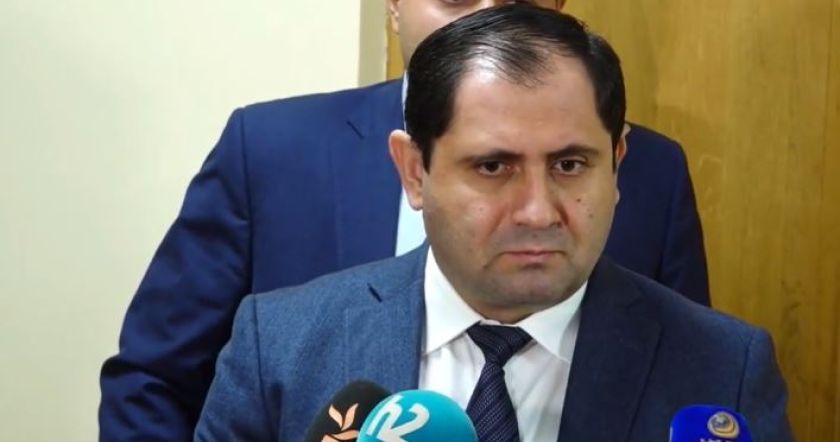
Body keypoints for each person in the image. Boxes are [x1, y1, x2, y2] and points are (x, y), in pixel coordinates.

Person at [99, 1, 708, 440]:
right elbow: (155, 382)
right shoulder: (269, 150)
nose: (487, 18)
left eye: (570, 165)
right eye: (490, 166)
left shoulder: (652, 172)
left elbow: (684, 374)